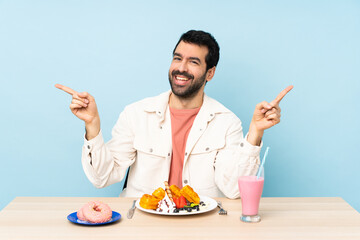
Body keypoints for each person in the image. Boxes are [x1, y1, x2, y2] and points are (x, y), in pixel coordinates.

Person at [55, 30, 293, 199]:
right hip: (143, 222)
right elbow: (102, 178)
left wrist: (255, 134)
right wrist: (93, 127)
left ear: (209, 73)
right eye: (177, 58)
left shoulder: (226, 121)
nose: (181, 68)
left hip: (202, 224)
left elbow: (233, 190)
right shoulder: (137, 113)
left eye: (193, 62)